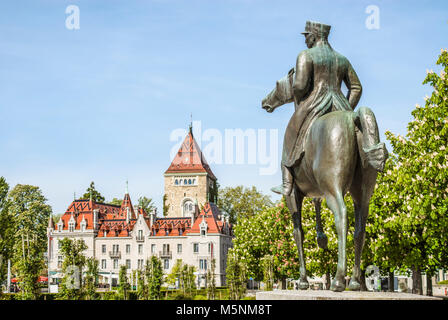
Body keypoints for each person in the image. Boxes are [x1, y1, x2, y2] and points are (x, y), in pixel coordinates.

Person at [272, 21, 386, 196]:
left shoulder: (306, 55)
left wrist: (298, 94)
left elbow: (300, 86)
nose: (305, 40)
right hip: (340, 105)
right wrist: (347, 109)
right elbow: (356, 88)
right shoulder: (341, 59)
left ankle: (286, 183)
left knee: (290, 135)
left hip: (314, 104)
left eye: (307, 36)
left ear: (315, 35)